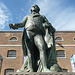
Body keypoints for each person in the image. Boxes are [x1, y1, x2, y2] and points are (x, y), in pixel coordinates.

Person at [9, 4, 55, 72]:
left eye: (35, 6)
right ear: (31, 9)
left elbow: (48, 24)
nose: (34, 7)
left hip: (38, 33)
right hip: (28, 32)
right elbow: (22, 24)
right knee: (30, 52)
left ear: (38, 9)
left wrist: (45, 25)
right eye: (33, 6)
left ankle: (45, 68)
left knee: (42, 48)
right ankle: (31, 69)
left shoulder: (42, 16)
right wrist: (15, 25)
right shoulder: (27, 16)